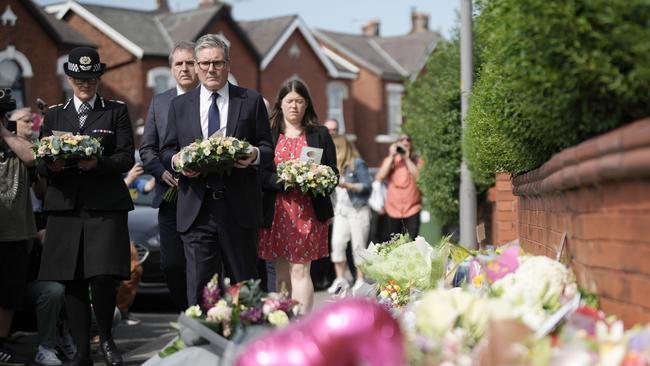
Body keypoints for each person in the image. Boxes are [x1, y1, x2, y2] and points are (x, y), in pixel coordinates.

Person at [37, 47, 135, 366]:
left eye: (91, 78)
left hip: (105, 206)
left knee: (103, 276)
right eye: (80, 79)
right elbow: (40, 162)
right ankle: (81, 351)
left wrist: (99, 163)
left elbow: (125, 158)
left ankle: (106, 339)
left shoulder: (115, 111)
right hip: (66, 207)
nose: (86, 84)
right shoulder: (53, 115)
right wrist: (50, 166)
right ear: (69, 78)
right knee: (73, 280)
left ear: (98, 78)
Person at [160, 34, 273, 307]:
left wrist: (254, 155)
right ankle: (201, 345)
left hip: (239, 210)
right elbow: (166, 151)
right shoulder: (179, 105)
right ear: (197, 66)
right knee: (200, 291)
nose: (211, 69)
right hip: (196, 211)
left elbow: (268, 147)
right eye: (205, 63)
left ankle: (245, 346)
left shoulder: (250, 100)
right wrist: (179, 163)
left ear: (228, 65)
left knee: (244, 289)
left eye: (217, 63)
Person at [258, 80, 338, 313]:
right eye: (289, 101)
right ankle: (285, 321)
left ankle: (302, 324)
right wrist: (284, 181)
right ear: (280, 104)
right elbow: (260, 175)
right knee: (282, 273)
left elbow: (333, 172)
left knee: (300, 270)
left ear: (307, 104)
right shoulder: (268, 133)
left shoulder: (319, 134)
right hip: (275, 211)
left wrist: (317, 179)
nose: (294, 106)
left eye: (299, 101)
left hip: (309, 211)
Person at [140, 41, 198, 312]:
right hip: (170, 196)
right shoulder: (159, 102)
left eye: (190, 62)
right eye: (179, 63)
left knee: (203, 263)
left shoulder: (210, 100)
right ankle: (187, 313)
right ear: (171, 68)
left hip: (203, 195)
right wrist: (162, 173)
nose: (184, 68)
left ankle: (203, 320)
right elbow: (147, 149)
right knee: (172, 264)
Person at [0, 89, 35, 366]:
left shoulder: (19, 140)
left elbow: (32, 158)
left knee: (9, 293)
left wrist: (5, 133)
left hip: (15, 233)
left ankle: (1, 344)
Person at [327, 137, 372, 295]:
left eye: (335, 148)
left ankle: (360, 280)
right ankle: (340, 279)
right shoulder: (332, 166)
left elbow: (367, 186)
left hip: (357, 210)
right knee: (337, 244)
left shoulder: (357, 163)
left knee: (358, 247)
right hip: (341, 211)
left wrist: (348, 185)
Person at [375, 133, 424, 239]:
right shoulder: (391, 161)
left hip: (412, 209)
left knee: (411, 243)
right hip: (393, 210)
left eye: (408, 140)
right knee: (393, 244)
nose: (405, 142)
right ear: (397, 143)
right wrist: (391, 156)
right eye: (402, 140)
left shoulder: (416, 161)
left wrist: (406, 159)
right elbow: (379, 177)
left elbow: (420, 178)